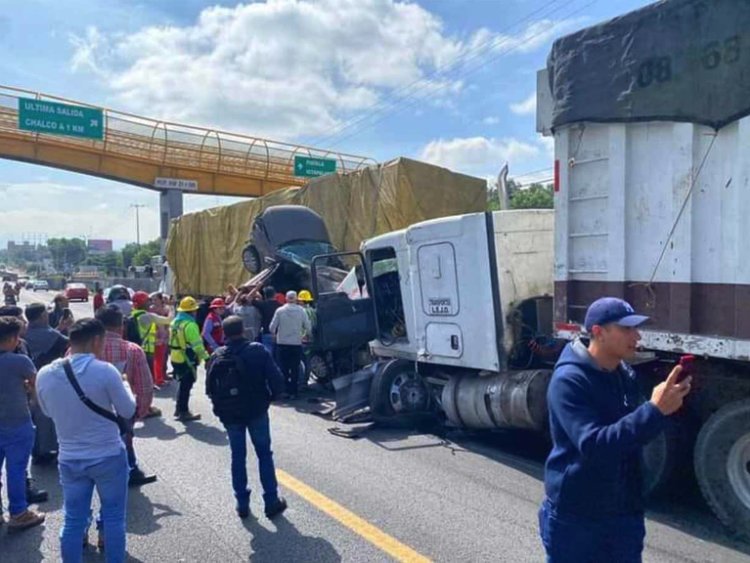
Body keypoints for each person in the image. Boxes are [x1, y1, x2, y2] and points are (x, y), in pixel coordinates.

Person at [540, 297, 692, 562]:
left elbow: (631, 435)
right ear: (598, 332)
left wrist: (664, 410)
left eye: (636, 328)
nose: (637, 335)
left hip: (623, 514)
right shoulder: (569, 381)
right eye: (626, 329)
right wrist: (653, 411)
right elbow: (595, 445)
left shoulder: (623, 373)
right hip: (577, 517)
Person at [36, 319, 135, 562]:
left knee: (73, 519)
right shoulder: (106, 371)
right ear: (96, 340)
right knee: (113, 517)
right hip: (108, 455)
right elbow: (127, 410)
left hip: (70, 458)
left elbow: (47, 412)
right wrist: (126, 385)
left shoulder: (45, 374)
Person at [206, 315, 287, 520]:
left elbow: (209, 388)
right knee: (264, 454)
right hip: (256, 410)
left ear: (224, 333)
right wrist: (275, 396)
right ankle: (271, 501)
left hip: (231, 414)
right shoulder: (258, 350)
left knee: (237, 457)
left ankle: (242, 503)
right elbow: (276, 378)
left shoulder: (217, 355)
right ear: (243, 330)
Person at [96, 305, 159, 487]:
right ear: (121, 326)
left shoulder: (81, 349)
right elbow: (145, 388)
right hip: (123, 411)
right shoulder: (133, 350)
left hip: (89, 412)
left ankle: (124, 470)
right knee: (124, 441)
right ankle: (128, 471)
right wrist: (138, 412)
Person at [0, 317, 47, 532]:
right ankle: (19, 512)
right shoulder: (19, 361)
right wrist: (33, 401)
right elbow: (38, 387)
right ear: (11, 338)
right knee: (17, 469)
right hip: (17, 421)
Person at [24, 303, 67, 465]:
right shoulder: (52, 336)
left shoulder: (22, 334)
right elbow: (69, 344)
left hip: (26, 382)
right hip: (50, 380)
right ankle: (48, 449)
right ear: (42, 316)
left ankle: (37, 451)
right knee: (50, 417)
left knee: (32, 418)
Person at [169, 296, 210, 422]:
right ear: (192, 311)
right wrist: (206, 358)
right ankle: (183, 412)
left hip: (175, 357)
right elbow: (197, 345)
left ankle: (178, 408)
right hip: (187, 358)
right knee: (186, 385)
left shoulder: (175, 322)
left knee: (181, 384)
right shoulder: (190, 325)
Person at [269, 291, 311, 398]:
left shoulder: (280, 311)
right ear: (296, 299)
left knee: (283, 368)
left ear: (286, 299)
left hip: (282, 343)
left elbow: (271, 327)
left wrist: (274, 334)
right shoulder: (301, 311)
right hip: (296, 343)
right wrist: (305, 335)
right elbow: (308, 326)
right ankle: (294, 391)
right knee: (295, 368)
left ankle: (285, 390)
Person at [130, 291, 172, 385]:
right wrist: (171, 309)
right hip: (147, 349)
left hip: (135, 346)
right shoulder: (148, 316)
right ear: (143, 303)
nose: (151, 303)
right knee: (147, 376)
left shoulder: (132, 314)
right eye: (148, 301)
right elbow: (168, 320)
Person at [149, 292, 172, 386]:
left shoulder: (166, 309)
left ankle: (162, 375)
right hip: (154, 336)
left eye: (155, 299)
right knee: (156, 359)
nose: (154, 301)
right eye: (152, 300)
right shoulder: (151, 309)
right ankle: (156, 378)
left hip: (164, 335)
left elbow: (169, 322)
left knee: (164, 357)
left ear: (160, 299)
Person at [255, 286, 281, 357]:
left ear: (265, 295)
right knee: (278, 356)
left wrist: (257, 288)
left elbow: (248, 298)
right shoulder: (280, 306)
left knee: (268, 356)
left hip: (266, 332)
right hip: (278, 334)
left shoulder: (263, 304)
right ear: (275, 294)